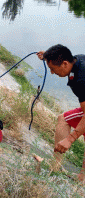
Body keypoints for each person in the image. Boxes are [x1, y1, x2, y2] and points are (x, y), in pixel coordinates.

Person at [36, 44, 85, 182]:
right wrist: (47, 56)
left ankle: (55, 167)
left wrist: (70, 139)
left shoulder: (81, 80)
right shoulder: (77, 60)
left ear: (64, 64)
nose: (51, 72)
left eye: (52, 68)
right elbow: (61, 55)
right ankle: (82, 177)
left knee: (64, 119)